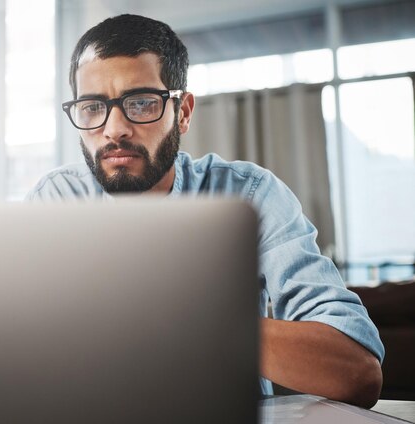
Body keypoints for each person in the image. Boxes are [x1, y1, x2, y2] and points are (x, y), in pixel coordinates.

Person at [26, 14, 384, 408]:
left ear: (183, 112)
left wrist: (187, 317)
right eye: (92, 107)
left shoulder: (249, 194)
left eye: (141, 103)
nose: (114, 129)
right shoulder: (57, 199)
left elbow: (356, 373)